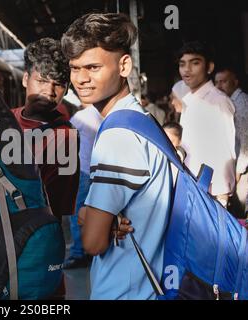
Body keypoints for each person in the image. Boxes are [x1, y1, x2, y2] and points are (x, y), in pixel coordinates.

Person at [62, 12, 172, 300]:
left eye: (93, 67)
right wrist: (103, 218)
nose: (81, 79)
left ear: (124, 65)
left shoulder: (117, 136)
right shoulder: (140, 119)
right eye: (75, 68)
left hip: (126, 290)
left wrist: (92, 217)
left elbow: (94, 242)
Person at [11, 37, 79, 221]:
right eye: (41, 81)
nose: (49, 91)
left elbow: (58, 206)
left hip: (37, 233)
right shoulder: (1, 120)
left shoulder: (66, 137)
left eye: (58, 84)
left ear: (66, 90)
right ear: (26, 79)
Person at [178, 41, 236, 208]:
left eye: (195, 63)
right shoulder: (190, 100)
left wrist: (222, 200)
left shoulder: (218, 101)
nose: (187, 70)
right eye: (182, 64)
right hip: (194, 188)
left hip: (212, 194)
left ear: (209, 67)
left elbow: (225, 153)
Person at [64, 104, 102, 269]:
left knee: (76, 213)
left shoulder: (81, 116)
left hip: (82, 170)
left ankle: (79, 253)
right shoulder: (104, 116)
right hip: (98, 171)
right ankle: (91, 250)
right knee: (93, 212)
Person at [215, 68, 248, 216]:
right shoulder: (229, 101)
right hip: (235, 166)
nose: (219, 86)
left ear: (235, 82)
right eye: (217, 82)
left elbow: (245, 140)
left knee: (241, 211)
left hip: (242, 169)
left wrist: (238, 171)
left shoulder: (240, 103)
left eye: (224, 81)